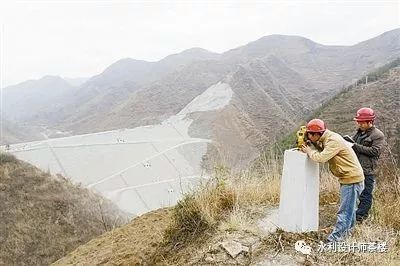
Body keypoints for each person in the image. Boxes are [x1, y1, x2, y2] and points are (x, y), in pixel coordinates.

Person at [301, 118, 364, 242]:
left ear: (316, 134)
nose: (307, 136)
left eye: (309, 134)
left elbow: (321, 158)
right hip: (351, 178)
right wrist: (312, 145)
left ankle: (335, 239)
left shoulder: (333, 141)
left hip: (351, 179)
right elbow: (321, 148)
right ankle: (348, 233)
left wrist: (309, 151)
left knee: (345, 211)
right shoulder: (326, 137)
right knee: (350, 210)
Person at [351, 107, 385, 222]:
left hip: (367, 170)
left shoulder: (378, 135)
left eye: (361, 122)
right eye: (358, 122)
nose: (359, 124)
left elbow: (375, 151)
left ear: (370, 122)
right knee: (356, 193)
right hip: (356, 167)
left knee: (365, 194)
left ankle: (361, 217)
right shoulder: (359, 133)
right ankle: (355, 214)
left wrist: (355, 146)